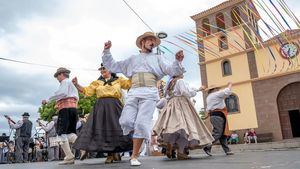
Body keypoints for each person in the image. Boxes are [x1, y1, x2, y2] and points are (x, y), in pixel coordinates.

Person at [102, 32, 185, 166]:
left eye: (154, 40)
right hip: (134, 92)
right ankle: (137, 141)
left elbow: (172, 70)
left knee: (141, 124)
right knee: (126, 121)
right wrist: (107, 51)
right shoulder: (133, 58)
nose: (152, 42)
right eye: (150, 40)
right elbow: (113, 65)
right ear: (143, 42)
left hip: (149, 93)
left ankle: (134, 156)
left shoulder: (158, 57)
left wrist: (177, 61)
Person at [72, 64, 133, 164]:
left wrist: (132, 73)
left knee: (117, 128)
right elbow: (87, 91)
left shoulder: (118, 80)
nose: (102, 70)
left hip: (115, 106)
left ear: (110, 69)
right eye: (101, 69)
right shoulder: (97, 82)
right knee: (101, 129)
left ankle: (115, 152)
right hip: (101, 107)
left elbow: (129, 84)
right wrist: (76, 84)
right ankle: (110, 154)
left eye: (104, 68)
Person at [153, 74, 214, 160]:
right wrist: (198, 89)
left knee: (174, 129)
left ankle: (170, 143)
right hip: (181, 103)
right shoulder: (180, 81)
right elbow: (185, 92)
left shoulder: (169, 83)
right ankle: (181, 152)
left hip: (171, 105)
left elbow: (167, 96)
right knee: (185, 129)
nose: (183, 74)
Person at [42, 67, 79, 165]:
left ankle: (69, 156)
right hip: (73, 109)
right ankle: (83, 147)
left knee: (61, 133)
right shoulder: (72, 85)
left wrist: (49, 100)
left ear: (61, 74)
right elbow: (75, 98)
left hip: (65, 109)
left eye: (57, 76)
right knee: (70, 132)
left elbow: (63, 93)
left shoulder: (65, 82)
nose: (57, 78)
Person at [203, 83, 234, 156]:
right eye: (216, 88)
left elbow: (208, 109)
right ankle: (207, 145)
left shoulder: (209, 97)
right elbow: (227, 92)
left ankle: (227, 150)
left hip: (215, 116)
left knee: (222, 133)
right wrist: (230, 85)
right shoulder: (216, 94)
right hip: (218, 116)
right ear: (213, 89)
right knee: (218, 133)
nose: (218, 89)